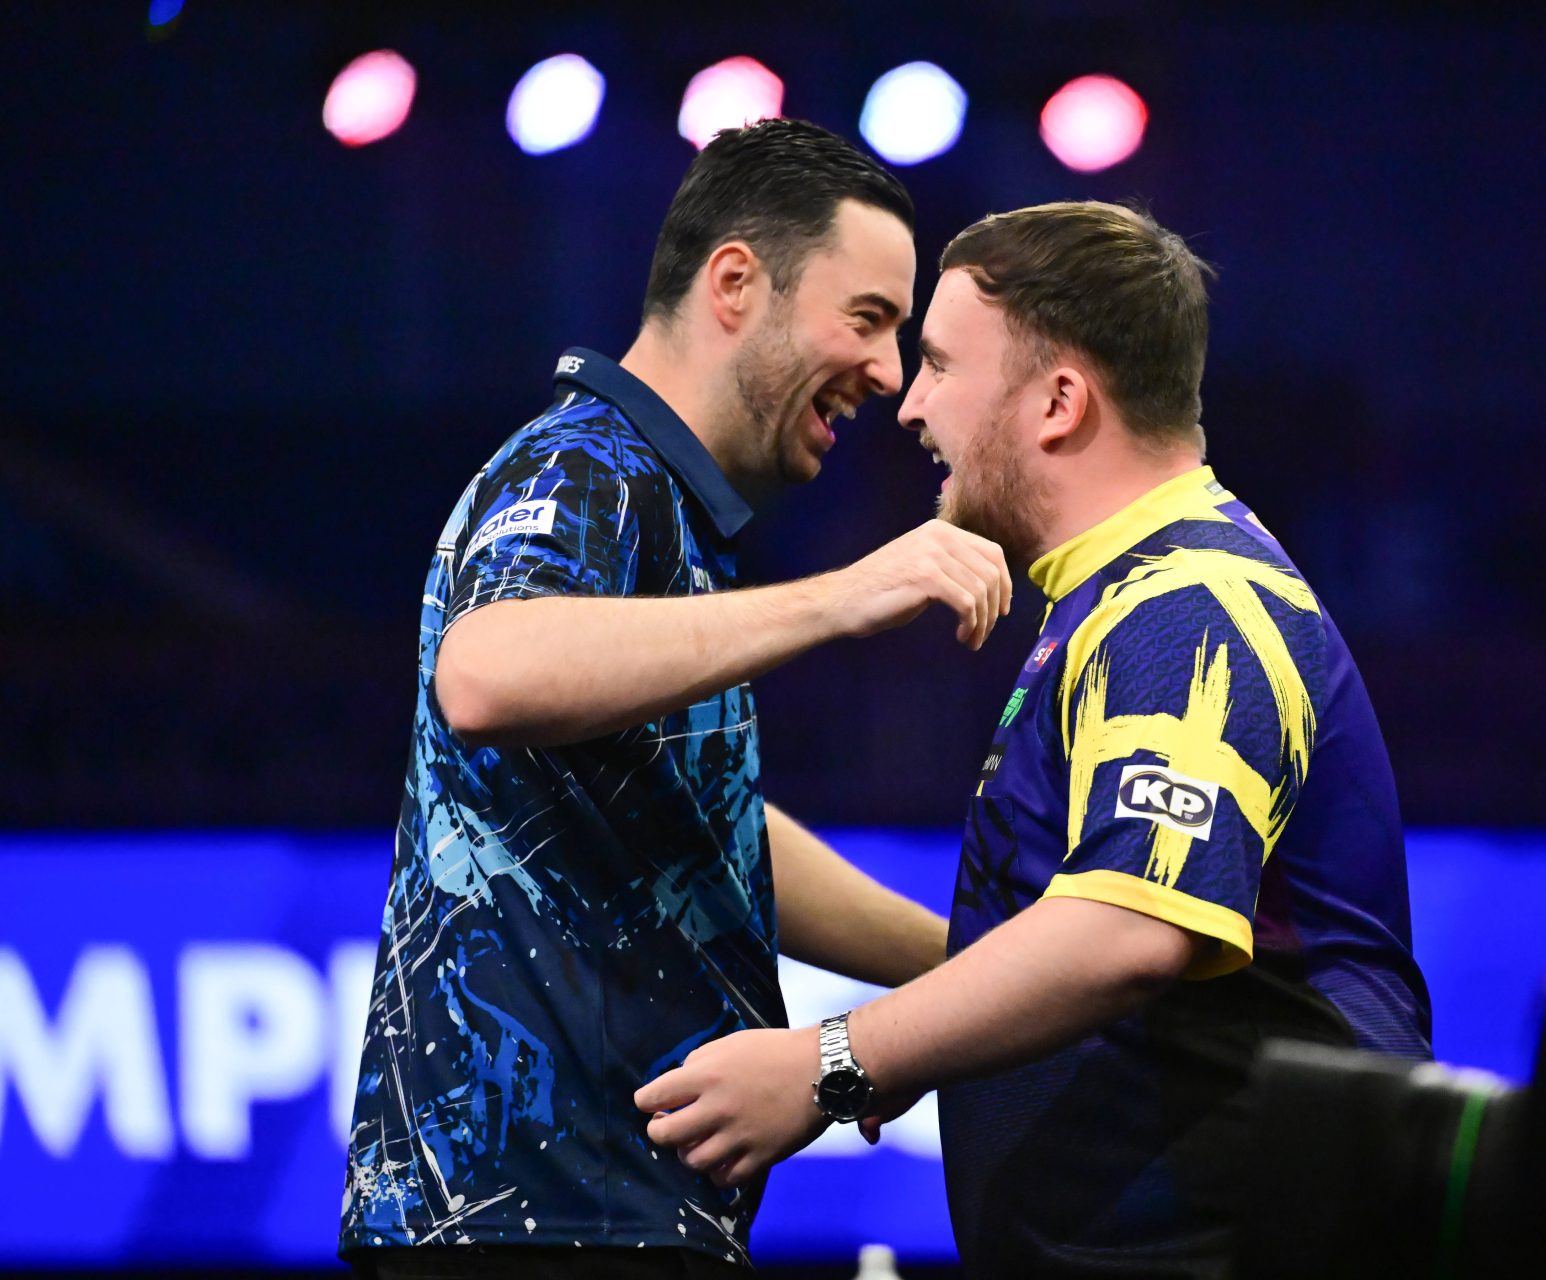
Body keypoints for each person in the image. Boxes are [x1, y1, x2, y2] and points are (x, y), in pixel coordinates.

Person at [633, 202, 1433, 1277]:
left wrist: (832, 1064)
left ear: (1059, 401)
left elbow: (1127, 928)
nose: (910, 404)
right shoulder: (1121, 603)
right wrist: (943, 1017)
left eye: (940, 365)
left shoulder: (1192, 604)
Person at [338, 120, 1013, 1279]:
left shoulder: (673, 516)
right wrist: (845, 595)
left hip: (612, 1213)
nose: (890, 372)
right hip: (531, 1223)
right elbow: (488, 672)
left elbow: (714, 836)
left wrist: (974, 975)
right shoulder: (586, 464)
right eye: (867, 318)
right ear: (735, 282)